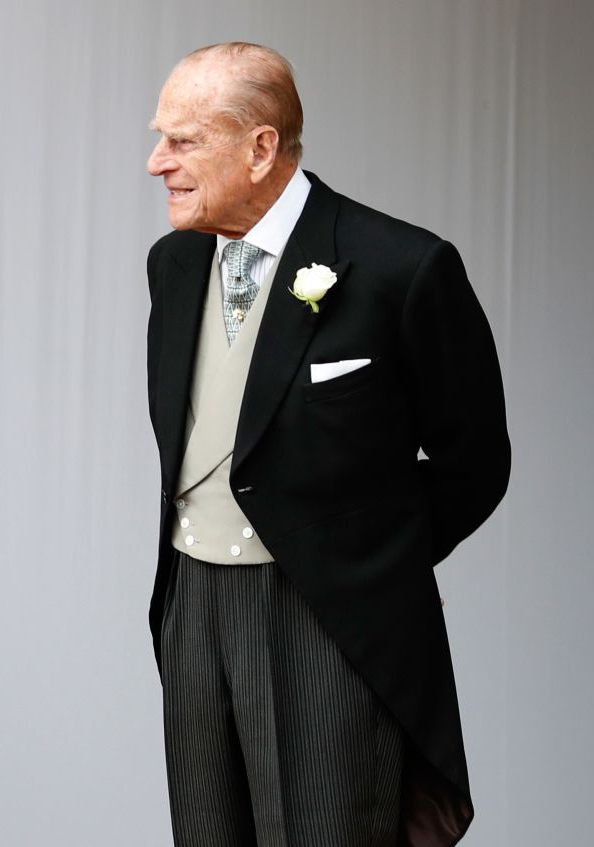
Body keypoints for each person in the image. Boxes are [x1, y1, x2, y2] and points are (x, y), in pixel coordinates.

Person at [144, 43, 509, 845]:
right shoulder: (172, 266)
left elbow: (476, 459)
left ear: (261, 146)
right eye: (159, 138)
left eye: (183, 140)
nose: (155, 162)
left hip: (327, 618)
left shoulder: (401, 267)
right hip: (192, 608)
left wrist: (361, 560)